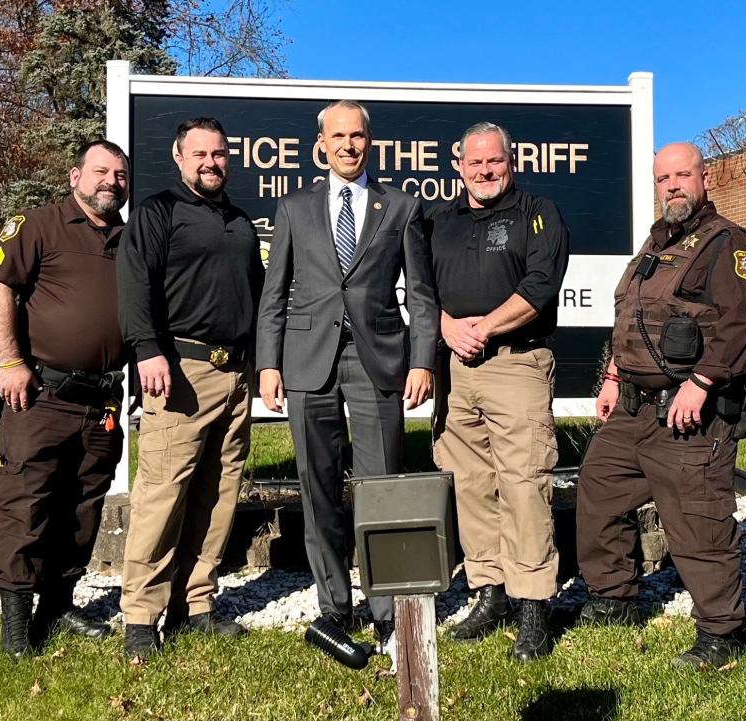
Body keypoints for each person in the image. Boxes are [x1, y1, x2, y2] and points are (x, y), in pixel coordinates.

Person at [576, 142, 746, 670]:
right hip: (634, 409)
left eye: (683, 175)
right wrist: (613, 376)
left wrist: (702, 382)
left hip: (690, 413)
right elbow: (631, 320)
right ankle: (615, 598)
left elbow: (742, 323)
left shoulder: (730, 243)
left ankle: (721, 632)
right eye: (664, 179)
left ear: (705, 179)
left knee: (697, 521)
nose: (673, 186)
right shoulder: (656, 246)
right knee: (598, 492)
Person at [255, 100, 438, 648]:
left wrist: (423, 359)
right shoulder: (293, 208)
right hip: (307, 362)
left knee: (381, 487)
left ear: (370, 140)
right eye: (338, 137)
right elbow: (274, 294)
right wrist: (268, 362)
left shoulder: (400, 207)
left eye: (357, 136)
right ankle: (334, 605)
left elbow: (423, 297)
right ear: (321, 144)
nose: (348, 146)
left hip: (377, 361)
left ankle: (385, 608)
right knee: (318, 489)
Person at [117, 117, 264, 659]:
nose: (211, 162)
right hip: (179, 370)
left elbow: (258, 297)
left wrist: (259, 364)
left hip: (235, 374)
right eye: (200, 154)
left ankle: (195, 603)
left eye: (220, 154)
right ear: (179, 158)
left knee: (218, 494)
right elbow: (135, 284)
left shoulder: (241, 222)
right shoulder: (159, 212)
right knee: (163, 492)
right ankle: (140, 616)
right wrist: (148, 349)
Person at [0, 139, 130, 658]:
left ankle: (58, 606)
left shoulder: (129, 240)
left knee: (84, 507)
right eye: (100, 171)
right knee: (26, 503)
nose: (111, 181)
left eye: (120, 174)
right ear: (75, 177)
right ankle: (17, 626)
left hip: (103, 403)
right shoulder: (39, 225)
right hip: (41, 395)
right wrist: (11, 362)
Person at [427, 122, 570, 662]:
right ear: (458, 164)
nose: (486, 171)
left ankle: (533, 603)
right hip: (456, 372)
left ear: (511, 162)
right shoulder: (440, 221)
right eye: (475, 162)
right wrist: (446, 327)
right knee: (470, 483)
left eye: (496, 162)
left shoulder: (539, 212)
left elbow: (539, 288)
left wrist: (482, 327)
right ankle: (489, 591)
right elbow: (422, 290)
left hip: (516, 363)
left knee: (523, 482)